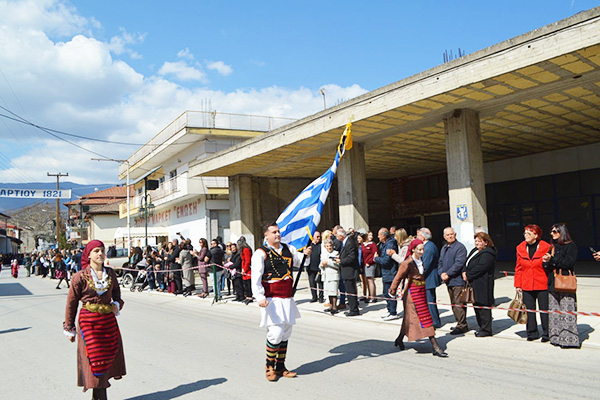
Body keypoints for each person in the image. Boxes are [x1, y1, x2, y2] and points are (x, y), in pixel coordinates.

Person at [63, 240, 126, 400]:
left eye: (102, 251)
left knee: (106, 359)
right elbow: (71, 303)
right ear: (89, 255)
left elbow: (117, 296)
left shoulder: (110, 274)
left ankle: (97, 397)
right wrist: (69, 327)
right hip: (88, 324)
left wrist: (116, 305)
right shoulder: (79, 277)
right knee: (94, 360)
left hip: (108, 323)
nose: (100, 254)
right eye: (96, 251)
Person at [251, 223, 310, 381]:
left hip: (287, 298)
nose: (277, 234)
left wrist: (306, 254)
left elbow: (301, 262)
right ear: (266, 235)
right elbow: (255, 277)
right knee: (275, 333)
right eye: (274, 232)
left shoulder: (288, 249)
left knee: (286, 333)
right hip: (272, 299)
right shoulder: (260, 253)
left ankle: (280, 366)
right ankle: (269, 366)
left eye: (278, 231)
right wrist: (259, 296)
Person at [389, 239, 448, 357]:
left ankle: (399, 339)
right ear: (413, 249)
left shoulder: (420, 260)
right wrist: (393, 290)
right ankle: (435, 346)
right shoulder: (407, 263)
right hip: (411, 295)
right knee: (423, 318)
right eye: (419, 249)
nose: (422, 252)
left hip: (421, 292)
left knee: (410, 318)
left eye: (423, 249)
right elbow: (398, 277)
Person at [543, 223, 579, 348]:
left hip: (565, 282)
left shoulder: (570, 246)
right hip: (552, 283)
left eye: (555, 231)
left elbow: (568, 262)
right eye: (551, 231)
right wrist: (546, 261)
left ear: (562, 232)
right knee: (554, 312)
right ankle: (555, 338)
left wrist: (552, 260)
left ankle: (568, 340)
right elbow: (548, 266)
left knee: (567, 311)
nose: (552, 234)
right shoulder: (552, 247)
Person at [515, 224, 552, 342]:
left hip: (542, 283)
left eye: (529, 233)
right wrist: (518, 284)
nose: (526, 235)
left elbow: (550, 266)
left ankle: (547, 333)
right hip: (526, 283)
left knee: (544, 310)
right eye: (525, 233)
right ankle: (532, 332)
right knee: (529, 310)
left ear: (536, 235)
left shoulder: (546, 247)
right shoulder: (520, 248)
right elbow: (518, 268)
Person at [463, 232, 496, 337]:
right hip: (473, 283)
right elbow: (466, 262)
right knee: (476, 305)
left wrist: (468, 275)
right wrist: (464, 271)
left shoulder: (488, 253)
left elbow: (481, 267)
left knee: (483, 306)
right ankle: (481, 327)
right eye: (476, 241)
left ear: (485, 242)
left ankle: (486, 329)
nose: (477, 243)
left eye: (479, 241)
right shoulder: (475, 251)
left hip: (483, 284)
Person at [438, 227, 469, 334]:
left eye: (452, 234)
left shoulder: (460, 247)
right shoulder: (444, 248)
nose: (450, 236)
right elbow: (440, 262)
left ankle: (462, 325)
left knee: (458, 303)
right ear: (444, 237)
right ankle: (459, 323)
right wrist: (441, 273)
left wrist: (448, 274)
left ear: (455, 234)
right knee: (453, 303)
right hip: (448, 281)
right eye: (448, 235)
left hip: (457, 280)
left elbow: (459, 263)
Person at [415, 227, 441, 328]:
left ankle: (435, 321)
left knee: (430, 301)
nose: (417, 237)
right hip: (427, 278)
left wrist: (417, 275)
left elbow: (425, 265)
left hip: (429, 278)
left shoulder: (429, 247)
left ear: (423, 237)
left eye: (418, 235)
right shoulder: (426, 246)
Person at [374, 228, 399, 321]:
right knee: (385, 293)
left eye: (379, 235)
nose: (378, 237)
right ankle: (389, 310)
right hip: (385, 272)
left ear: (384, 235)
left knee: (390, 293)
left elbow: (386, 260)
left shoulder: (390, 244)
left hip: (390, 272)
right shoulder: (382, 244)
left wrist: (376, 259)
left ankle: (393, 312)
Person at [335, 227, 360, 317]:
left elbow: (352, 257)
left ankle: (354, 310)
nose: (337, 238)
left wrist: (341, 261)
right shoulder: (344, 242)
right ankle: (352, 308)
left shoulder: (350, 242)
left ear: (341, 236)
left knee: (351, 291)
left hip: (350, 271)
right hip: (346, 271)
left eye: (337, 236)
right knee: (349, 291)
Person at [320, 239, 340, 314]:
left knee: (333, 292)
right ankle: (330, 306)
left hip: (333, 275)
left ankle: (335, 307)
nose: (329, 247)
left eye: (330, 246)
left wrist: (328, 262)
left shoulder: (335, 253)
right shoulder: (323, 254)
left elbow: (337, 265)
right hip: (326, 276)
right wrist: (321, 265)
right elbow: (320, 264)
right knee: (328, 292)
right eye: (327, 246)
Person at [307, 231, 324, 303]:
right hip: (310, 267)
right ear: (313, 237)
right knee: (312, 283)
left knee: (320, 283)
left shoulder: (321, 245)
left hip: (319, 267)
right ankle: (314, 297)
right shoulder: (309, 245)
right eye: (317, 237)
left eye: (319, 236)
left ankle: (321, 297)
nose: (319, 238)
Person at [361, 231, 377, 303]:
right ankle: (369, 295)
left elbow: (375, 254)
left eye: (372, 235)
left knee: (370, 280)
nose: (371, 237)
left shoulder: (372, 244)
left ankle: (373, 297)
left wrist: (369, 262)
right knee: (367, 281)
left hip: (370, 264)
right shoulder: (363, 244)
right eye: (369, 235)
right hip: (364, 264)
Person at [237, 236, 254, 304]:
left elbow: (247, 261)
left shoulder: (246, 249)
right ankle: (247, 296)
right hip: (244, 268)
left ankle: (250, 297)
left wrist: (245, 269)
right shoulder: (243, 250)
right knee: (245, 284)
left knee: (248, 284)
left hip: (247, 270)